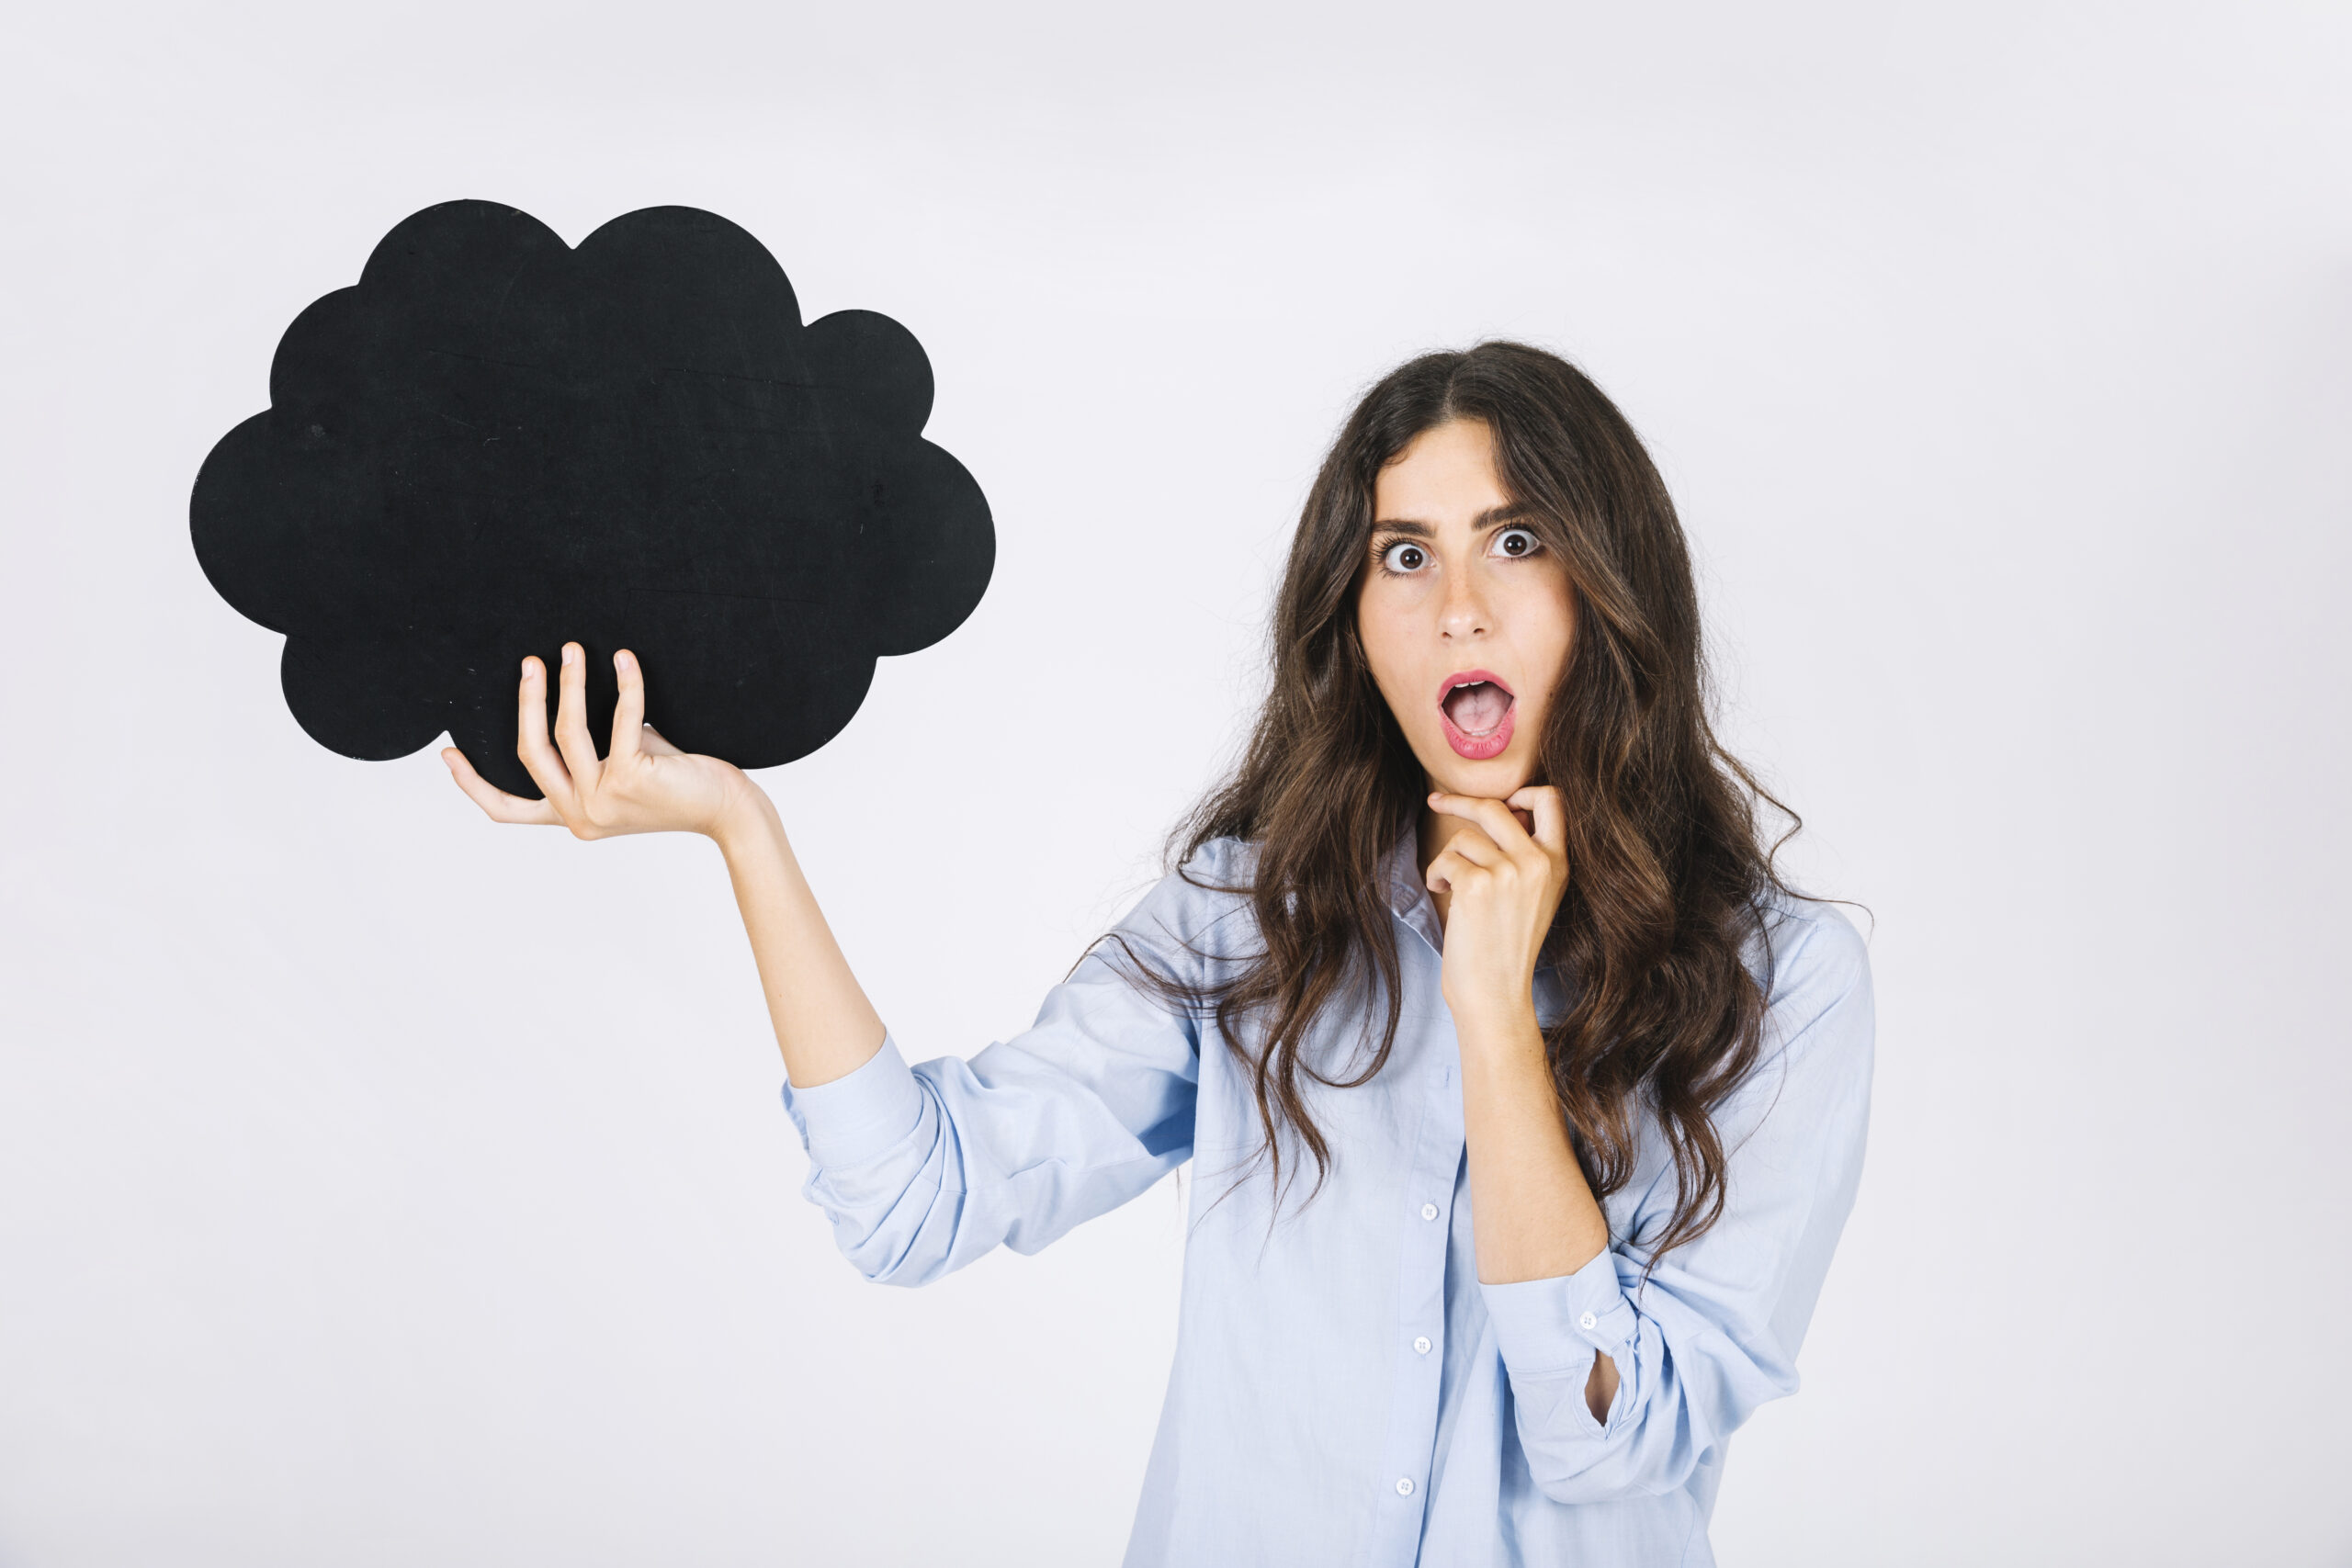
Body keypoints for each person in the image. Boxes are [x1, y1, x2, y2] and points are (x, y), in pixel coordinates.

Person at [442, 341, 1873, 1567]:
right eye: (1404, 554)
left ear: (1610, 587)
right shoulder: (1254, 920)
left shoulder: (1787, 987)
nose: (1458, 607)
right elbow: (915, 1200)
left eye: (1517, 540)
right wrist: (741, 832)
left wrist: (1494, 1019)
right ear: (1354, 615)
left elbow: (1609, 1439)